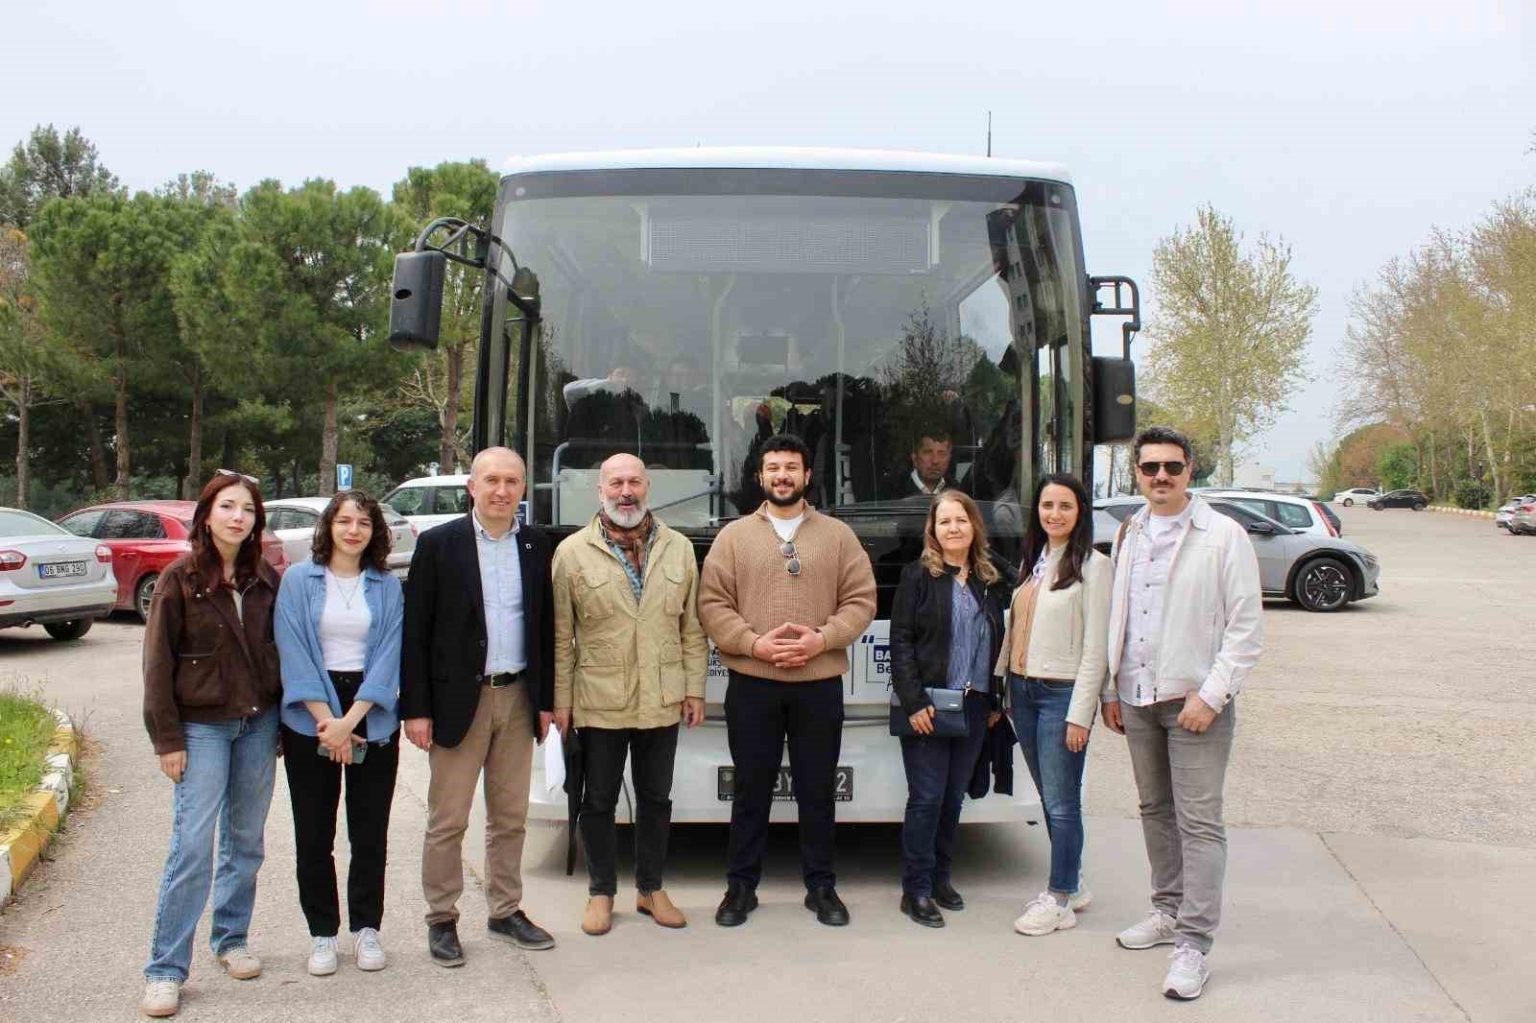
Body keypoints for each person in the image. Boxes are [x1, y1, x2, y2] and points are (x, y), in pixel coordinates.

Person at [1100, 426, 1263, 1001]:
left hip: (1195, 704)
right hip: (1137, 697)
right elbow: (1121, 615)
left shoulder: (1223, 535)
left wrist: (1212, 695)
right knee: (1154, 810)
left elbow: (1246, 629)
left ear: (1190, 470)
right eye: (1150, 468)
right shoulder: (1130, 531)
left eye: (1172, 466)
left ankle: (1193, 943)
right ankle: (1167, 910)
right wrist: (1111, 690)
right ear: (1137, 474)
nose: (1161, 476)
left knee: (1199, 824)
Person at [698, 434, 876, 928]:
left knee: (817, 790)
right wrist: (753, 643)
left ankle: (821, 886)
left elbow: (861, 599)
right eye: (773, 467)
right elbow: (712, 603)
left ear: (806, 475)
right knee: (750, 789)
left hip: (818, 684)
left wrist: (823, 639)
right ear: (760, 476)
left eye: (791, 467)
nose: (782, 476)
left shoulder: (838, 536)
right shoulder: (733, 538)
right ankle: (741, 886)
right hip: (752, 683)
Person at [400, 447, 557, 966]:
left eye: (512, 481)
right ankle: (441, 918)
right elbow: (416, 632)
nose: (501, 490)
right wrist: (416, 708)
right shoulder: (439, 545)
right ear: (472, 486)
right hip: (456, 702)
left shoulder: (535, 544)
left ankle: (505, 910)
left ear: (523, 489)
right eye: (491, 480)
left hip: (518, 698)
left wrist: (546, 702)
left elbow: (544, 627)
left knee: (510, 817)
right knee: (448, 819)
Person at [140, 470, 282, 1019]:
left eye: (247, 509)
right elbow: (157, 664)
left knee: (245, 842)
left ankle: (231, 937)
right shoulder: (180, 578)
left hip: (258, 724)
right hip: (201, 728)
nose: (237, 517)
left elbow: (278, 650)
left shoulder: (264, 577)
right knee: (193, 846)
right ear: (206, 515)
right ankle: (165, 969)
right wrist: (166, 738)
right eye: (227, 506)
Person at [551, 453, 708, 935]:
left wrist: (694, 688)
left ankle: (650, 889)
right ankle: (601, 892)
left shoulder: (679, 548)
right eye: (616, 483)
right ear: (599, 490)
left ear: (647, 488)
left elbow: (692, 628)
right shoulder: (572, 553)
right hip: (599, 698)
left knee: (656, 798)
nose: (626, 492)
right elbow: (560, 636)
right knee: (597, 800)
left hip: (662, 696)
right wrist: (561, 702)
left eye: (634, 482)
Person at [274, 490, 404, 976]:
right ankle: (322, 933)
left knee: (369, 831)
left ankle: (366, 928)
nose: (354, 530)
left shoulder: (387, 586)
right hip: (311, 715)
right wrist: (328, 722)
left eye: (364, 523)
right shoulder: (298, 580)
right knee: (314, 833)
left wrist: (351, 722)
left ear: (375, 532)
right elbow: (292, 650)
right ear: (328, 526)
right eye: (345, 521)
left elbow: (390, 655)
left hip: (371, 711)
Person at [888, 489, 1008, 928]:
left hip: (974, 707)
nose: (953, 528)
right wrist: (914, 701)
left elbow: (996, 641)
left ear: (974, 525)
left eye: (961, 520)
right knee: (926, 798)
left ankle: (940, 878)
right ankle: (915, 889)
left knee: (953, 798)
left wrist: (994, 699)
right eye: (944, 522)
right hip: (930, 706)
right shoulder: (918, 577)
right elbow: (900, 641)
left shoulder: (989, 578)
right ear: (933, 531)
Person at [998, 473, 1111, 937]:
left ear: (1080, 512)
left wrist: (1080, 714)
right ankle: (1074, 883)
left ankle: (1059, 897)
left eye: (1065, 506)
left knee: (1063, 803)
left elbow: (1097, 649)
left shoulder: (1095, 567)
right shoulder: (1036, 560)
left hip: (1060, 695)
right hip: (1024, 692)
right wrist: (1007, 689)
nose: (1055, 514)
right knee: (1049, 797)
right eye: (1047, 505)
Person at [887, 430, 961, 498]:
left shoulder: (958, 492)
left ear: (949, 458)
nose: (935, 461)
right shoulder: (892, 491)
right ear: (915, 458)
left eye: (942, 454)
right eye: (928, 453)